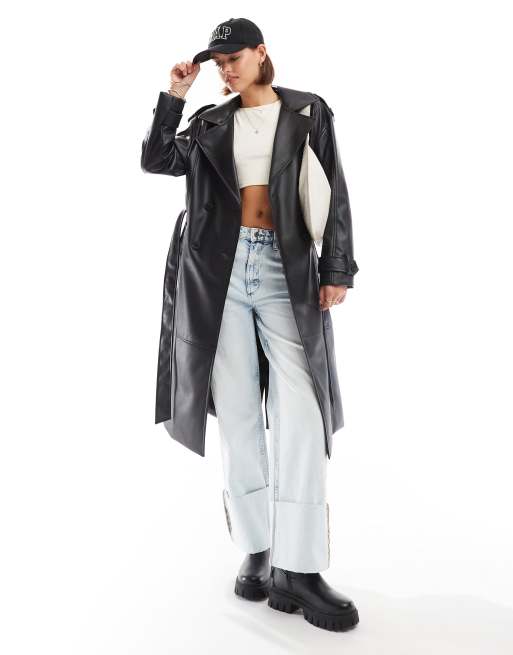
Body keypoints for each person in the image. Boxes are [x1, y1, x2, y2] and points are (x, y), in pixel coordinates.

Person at [141, 17, 360, 632]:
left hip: (286, 268)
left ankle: (299, 566)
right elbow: (156, 160)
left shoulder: (308, 112)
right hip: (219, 273)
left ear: (261, 53)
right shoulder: (210, 121)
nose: (227, 69)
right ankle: (258, 548)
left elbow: (336, 190)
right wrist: (176, 94)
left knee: (303, 412)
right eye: (219, 63)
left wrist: (337, 266)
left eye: (234, 57)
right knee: (237, 414)